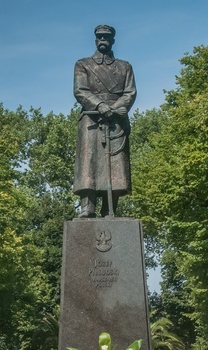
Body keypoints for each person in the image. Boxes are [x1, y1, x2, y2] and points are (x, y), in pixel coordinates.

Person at [73, 24, 136, 218]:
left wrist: (116, 108)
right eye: (99, 38)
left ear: (112, 41)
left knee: (116, 163)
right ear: (95, 40)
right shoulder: (83, 64)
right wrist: (100, 105)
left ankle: (110, 208)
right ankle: (87, 206)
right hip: (92, 118)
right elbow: (80, 90)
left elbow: (130, 92)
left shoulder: (124, 66)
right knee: (89, 162)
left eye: (106, 38)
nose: (102, 41)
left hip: (116, 118)